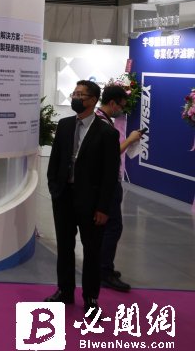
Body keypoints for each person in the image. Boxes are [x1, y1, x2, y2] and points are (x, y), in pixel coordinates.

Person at [45, 80, 120, 313]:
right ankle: (64, 291)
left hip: (91, 202)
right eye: (74, 93)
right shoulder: (65, 125)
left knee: (92, 251)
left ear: (93, 100)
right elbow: (55, 160)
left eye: (81, 95)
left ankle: (91, 298)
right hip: (64, 197)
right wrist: (54, 189)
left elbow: (110, 175)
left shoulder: (107, 132)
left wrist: (104, 208)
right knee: (65, 247)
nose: (76, 98)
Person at [95, 85, 143, 293]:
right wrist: (130, 140)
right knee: (113, 227)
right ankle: (104, 271)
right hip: (106, 183)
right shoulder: (103, 125)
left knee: (107, 227)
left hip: (105, 182)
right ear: (112, 103)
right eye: (121, 106)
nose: (121, 110)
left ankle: (103, 267)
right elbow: (112, 152)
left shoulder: (99, 121)